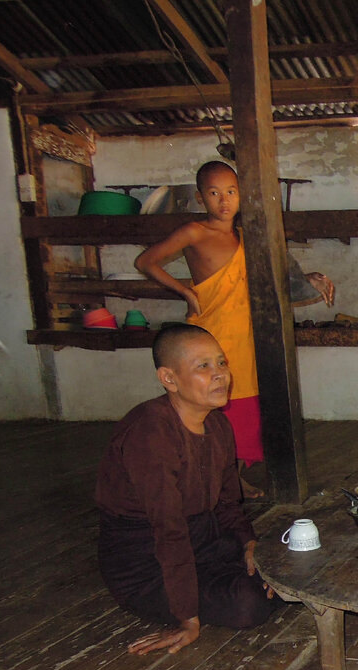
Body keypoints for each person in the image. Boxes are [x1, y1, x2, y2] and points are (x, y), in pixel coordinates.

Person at [134, 160, 335, 497]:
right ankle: (216, 478)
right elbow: (144, 262)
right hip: (213, 335)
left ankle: (233, 476)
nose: (223, 201)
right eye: (214, 193)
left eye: (231, 192)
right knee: (214, 407)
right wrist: (184, 290)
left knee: (246, 412)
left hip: (245, 334)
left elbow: (272, 278)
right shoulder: (195, 232)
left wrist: (307, 278)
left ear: (241, 196)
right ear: (201, 198)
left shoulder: (247, 237)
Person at [95, 324, 279, 655]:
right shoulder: (151, 432)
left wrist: (249, 544)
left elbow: (226, 504)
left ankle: (262, 578)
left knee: (288, 558)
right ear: (169, 379)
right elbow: (168, 528)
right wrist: (188, 618)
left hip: (204, 541)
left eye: (221, 363)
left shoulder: (218, 424)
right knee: (249, 604)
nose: (220, 375)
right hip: (146, 560)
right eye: (203, 366)